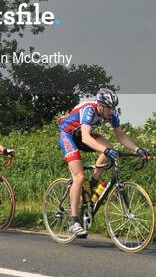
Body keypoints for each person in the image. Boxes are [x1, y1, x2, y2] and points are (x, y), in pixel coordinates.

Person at [57, 88, 150, 237]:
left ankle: (93, 184)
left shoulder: (111, 114)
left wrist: (137, 149)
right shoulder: (89, 109)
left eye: (113, 108)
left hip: (81, 134)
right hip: (69, 135)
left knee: (110, 148)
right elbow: (86, 138)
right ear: (100, 105)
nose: (111, 111)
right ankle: (74, 221)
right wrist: (105, 151)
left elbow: (121, 136)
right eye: (109, 108)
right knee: (79, 177)